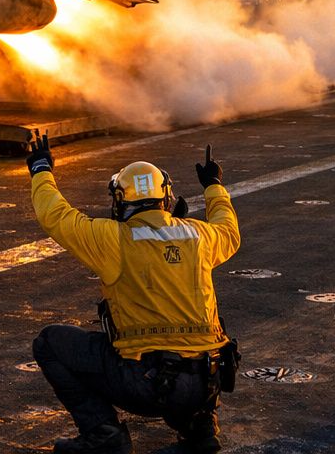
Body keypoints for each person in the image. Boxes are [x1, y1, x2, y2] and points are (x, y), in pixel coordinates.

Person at [25, 135, 241, 454]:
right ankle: (201, 426)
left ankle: (103, 432)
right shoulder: (199, 235)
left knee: (49, 343)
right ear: (167, 199)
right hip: (205, 384)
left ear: (120, 202)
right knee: (204, 330)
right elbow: (228, 229)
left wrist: (41, 170)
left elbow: (55, 216)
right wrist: (213, 185)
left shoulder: (113, 239)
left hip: (147, 384)